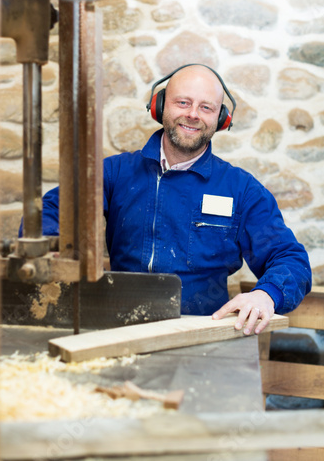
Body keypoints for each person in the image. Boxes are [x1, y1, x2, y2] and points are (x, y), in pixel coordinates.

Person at [32, 64, 312, 335]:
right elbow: (55, 207)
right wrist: (51, 244)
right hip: (118, 330)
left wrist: (267, 294)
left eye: (206, 107)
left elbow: (291, 259)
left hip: (202, 335)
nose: (193, 114)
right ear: (160, 106)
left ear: (221, 118)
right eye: (183, 102)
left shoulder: (242, 190)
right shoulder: (116, 173)